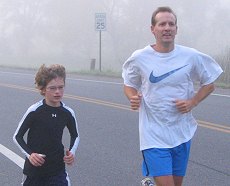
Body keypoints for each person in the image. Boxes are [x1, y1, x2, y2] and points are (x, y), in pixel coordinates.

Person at [122, 6, 223, 186]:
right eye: (162, 24)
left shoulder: (190, 56)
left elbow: (209, 83)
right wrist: (132, 97)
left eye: (171, 24)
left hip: (181, 133)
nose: (167, 28)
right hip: (153, 135)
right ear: (153, 29)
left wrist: (193, 102)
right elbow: (129, 85)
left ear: (176, 29)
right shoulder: (140, 57)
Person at [13, 64, 80, 186]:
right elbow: (17, 136)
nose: (57, 92)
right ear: (43, 89)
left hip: (57, 170)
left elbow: (75, 135)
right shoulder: (35, 111)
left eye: (61, 87)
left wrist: (72, 152)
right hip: (34, 172)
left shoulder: (67, 112)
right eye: (52, 88)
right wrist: (30, 155)